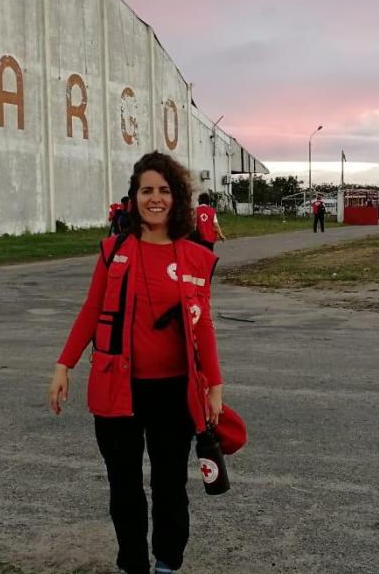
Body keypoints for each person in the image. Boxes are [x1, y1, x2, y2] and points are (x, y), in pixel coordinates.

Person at [49, 152, 225, 574]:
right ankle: (133, 565)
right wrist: (64, 364)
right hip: (118, 392)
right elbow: (92, 310)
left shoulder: (196, 258)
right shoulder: (114, 252)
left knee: (169, 486)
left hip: (174, 393)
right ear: (135, 197)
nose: (156, 198)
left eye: (164, 190)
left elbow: (204, 327)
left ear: (177, 198)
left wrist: (214, 385)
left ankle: (167, 562)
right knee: (124, 487)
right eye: (147, 190)